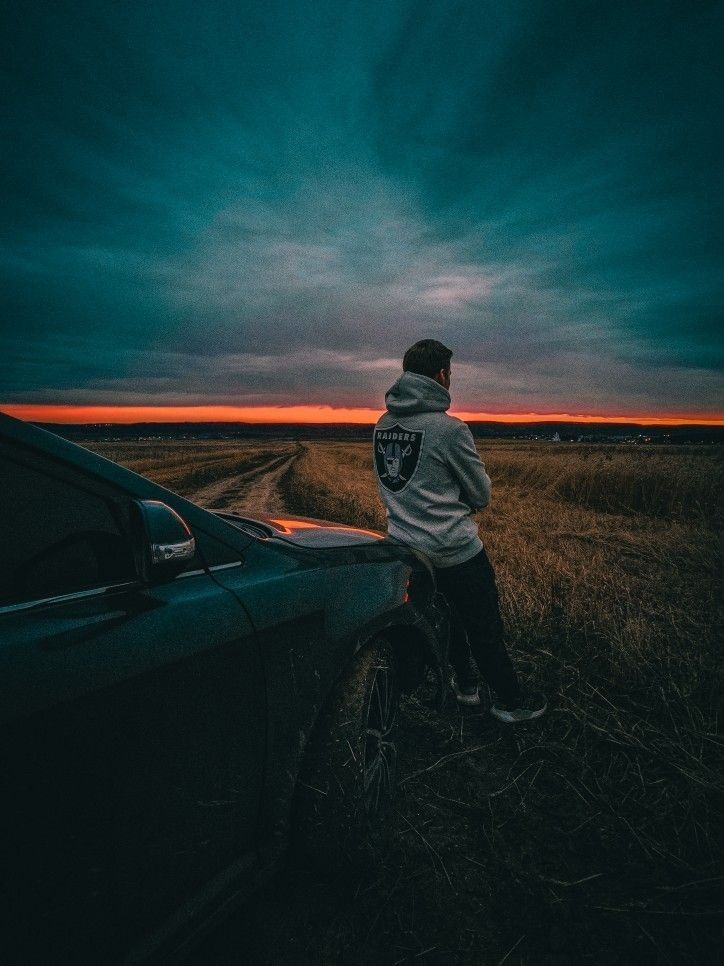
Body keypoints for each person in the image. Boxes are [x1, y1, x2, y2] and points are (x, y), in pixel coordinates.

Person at [373, 339, 546, 723]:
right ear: (440, 376)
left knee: (443, 622)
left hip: (406, 550)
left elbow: (394, 485)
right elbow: (481, 493)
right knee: (484, 627)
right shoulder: (449, 430)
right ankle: (511, 703)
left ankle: (465, 686)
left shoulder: (383, 426)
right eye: (449, 374)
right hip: (455, 551)